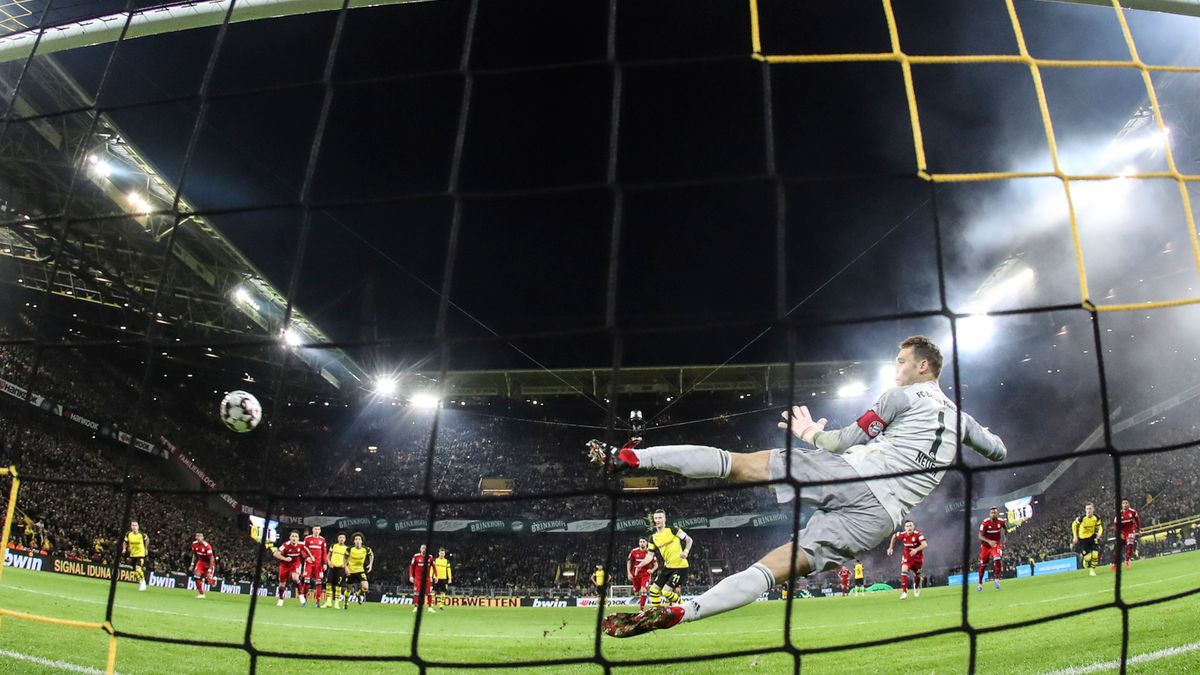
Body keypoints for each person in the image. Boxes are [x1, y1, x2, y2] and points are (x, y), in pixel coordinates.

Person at [590, 335, 1007, 637]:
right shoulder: (960, 419)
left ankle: (630, 458)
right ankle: (687, 611)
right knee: (774, 569)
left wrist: (809, 433)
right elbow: (999, 451)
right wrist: (972, 430)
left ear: (923, 366)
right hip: (881, 518)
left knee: (739, 465)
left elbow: (844, 441)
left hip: (855, 476)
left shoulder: (901, 397)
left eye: (900, 361)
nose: (896, 368)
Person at [644, 509, 692, 609]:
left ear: (665, 519)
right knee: (653, 590)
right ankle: (657, 612)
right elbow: (649, 556)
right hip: (668, 567)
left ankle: (685, 606)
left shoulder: (673, 530)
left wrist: (686, 551)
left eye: (660, 518)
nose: (658, 520)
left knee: (665, 592)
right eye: (656, 518)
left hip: (681, 566)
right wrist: (639, 565)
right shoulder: (653, 538)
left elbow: (689, 540)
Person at [887, 519, 927, 599]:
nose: (909, 528)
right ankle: (904, 592)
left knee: (918, 575)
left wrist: (916, 550)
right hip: (907, 558)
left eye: (910, 526)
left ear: (913, 527)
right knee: (904, 570)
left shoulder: (918, 534)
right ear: (905, 528)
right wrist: (890, 548)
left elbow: (925, 544)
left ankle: (916, 585)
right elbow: (894, 536)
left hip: (917, 559)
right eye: (907, 526)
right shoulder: (903, 535)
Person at [273, 530, 312, 607]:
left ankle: (301, 596)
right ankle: (281, 599)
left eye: (296, 536)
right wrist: (284, 558)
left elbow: (306, 549)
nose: (294, 538)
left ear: (298, 538)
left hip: (295, 563)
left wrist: (310, 557)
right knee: (282, 584)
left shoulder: (301, 544)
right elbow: (275, 554)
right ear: (290, 537)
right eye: (293, 536)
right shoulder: (285, 545)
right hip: (284, 565)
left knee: (295, 577)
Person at [978, 506, 1006, 591]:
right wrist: (989, 541)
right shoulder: (985, 523)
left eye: (995, 513)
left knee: (997, 558)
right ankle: (980, 584)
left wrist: (1005, 539)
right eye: (992, 513)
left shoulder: (1001, 521)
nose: (993, 514)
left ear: (997, 514)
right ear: (989, 514)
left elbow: (1005, 529)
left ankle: (997, 579)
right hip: (985, 546)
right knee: (983, 565)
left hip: (995, 544)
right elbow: (980, 536)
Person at [1072, 502, 1104, 576]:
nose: (1088, 510)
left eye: (1090, 509)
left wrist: (1099, 533)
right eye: (1087, 509)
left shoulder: (1096, 518)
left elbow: (1100, 527)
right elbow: (1074, 525)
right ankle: (1085, 560)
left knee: (1095, 554)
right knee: (1088, 558)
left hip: (1092, 537)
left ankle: (1092, 570)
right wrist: (1075, 536)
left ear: (1093, 509)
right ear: (1085, 510)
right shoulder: (1082, 518)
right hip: (1083, 540)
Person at [300, 525, 328, 609]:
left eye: (318, 529)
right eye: (315, 529)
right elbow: (302, 549)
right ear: (312, 530)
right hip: (309, 563)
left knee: (319, 582)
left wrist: (325, 563)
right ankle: (304, 600)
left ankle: (318, 602)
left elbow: (324, 552)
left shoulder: (322, 540)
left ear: (320, 530)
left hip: (318, 564)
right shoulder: (307, 538)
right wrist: (306, 557)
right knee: (307, 581)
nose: (316, 530)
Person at [627, 537, 657, 610]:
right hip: (636, 574)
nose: (642, 543)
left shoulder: (650, 552)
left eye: (643, 541)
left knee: (643, 590)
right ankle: (642, 597)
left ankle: (641, 610)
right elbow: (629, 562)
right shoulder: (634, 551)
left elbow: (656, 565)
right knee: (637, 593)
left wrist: (652, 570)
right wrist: (629, 573)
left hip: (645, 574)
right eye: (640, 542)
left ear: (646, 543)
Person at [345, 532, 373, 606]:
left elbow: (371, 554)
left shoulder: (366, 549)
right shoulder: (350, 549)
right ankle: (346, 603)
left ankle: (358, 593)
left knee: (365, 588)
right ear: (354, 541)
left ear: (362, 541)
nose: (357, 541)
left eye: (359, 539)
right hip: (350, 571)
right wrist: (346, 568)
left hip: (360, 571)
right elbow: (344, 558)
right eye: (356, 539)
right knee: (349, 590)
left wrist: (370, 564)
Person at [1113, 498, 1141, 571]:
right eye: (1124, 503)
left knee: (1130, 544)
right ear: (1122, 505)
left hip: (1130, 530)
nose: (1125, 505)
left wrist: (1139, 529)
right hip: (1122, 532)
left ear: (1129, 504)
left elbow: (1137, 520)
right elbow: (1115, 525)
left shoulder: (1133, 512)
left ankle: (1127, 561)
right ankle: (1115, 563)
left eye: (1126, 503)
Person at [122, 520, 149, 592]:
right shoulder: (128, 534)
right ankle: (140, 582)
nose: (134, 527)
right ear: (131, 526)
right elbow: (125, 542)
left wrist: (146, 549)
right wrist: (124, 548)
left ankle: (143, 583)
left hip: (140, 554)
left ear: (138, 527)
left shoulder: (141, 534)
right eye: (132, 525)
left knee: (138, 568)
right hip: (132, 555)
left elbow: (147, 540)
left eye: (135, 525)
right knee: (135, 571)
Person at [409, 543, 437, 613]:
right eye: (422, 548)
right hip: (418, 578)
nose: (424, 550)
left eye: (425, 548)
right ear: (420, 549)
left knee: (429, 593)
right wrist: (411, 576)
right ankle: (416, 607)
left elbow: (434, 567)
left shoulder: (430, 557)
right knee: (416, 593)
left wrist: (436, 576)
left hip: (427, 579)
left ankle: (430, 607)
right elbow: (411, 566)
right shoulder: (416, 556)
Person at [325, 532, 349, 608]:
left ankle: (336, 603)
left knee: (338, 586)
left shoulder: (347, 548)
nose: (341, 539)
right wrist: (328, 561)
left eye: (343, 538)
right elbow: (328, 555)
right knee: (328, 584)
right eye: (340, 537)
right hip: (332, 567)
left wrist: (345, 564)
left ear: (345, 539)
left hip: (340, 569)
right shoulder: (333, 546)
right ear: (338, 538)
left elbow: (348, 558)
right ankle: (328, 602)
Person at [190, 532, 216, 600]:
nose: (198, 538)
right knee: (196, 576)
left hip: (209, 563)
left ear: (203, 538)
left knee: (208, 579)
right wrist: (192, 564)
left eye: (200, 536)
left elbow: (211, 558)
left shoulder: (207, 546)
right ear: (196, 537)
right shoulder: (194, 544)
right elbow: (194, 555)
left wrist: (210, 570)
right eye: (197, 536)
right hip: (201, 562)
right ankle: (201, 594)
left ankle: (213, 581)